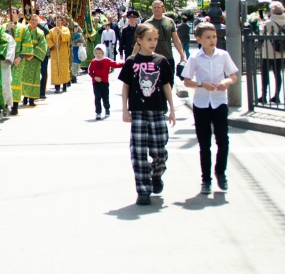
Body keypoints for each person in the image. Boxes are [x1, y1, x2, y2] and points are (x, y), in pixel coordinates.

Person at [118, 23, 176, 206]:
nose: (153, 43)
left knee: (160, 151)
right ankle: (143, 190)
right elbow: (126, 86)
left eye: (155, 39)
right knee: (138, 152)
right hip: (138, 112)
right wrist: (125, 109)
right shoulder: (131, 62)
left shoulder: (161, 61)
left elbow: (166, 85)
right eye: (149, 39)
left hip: (158, 111)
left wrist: (172, 109)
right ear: (139, 40)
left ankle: (156, 174)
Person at [182, 22, 238, 194]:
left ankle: (221, 172)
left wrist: (226, 82)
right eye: (208, 37)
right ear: (199, 39)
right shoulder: (194, 58)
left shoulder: (223, 55)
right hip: (201, 104)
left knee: (223, 140)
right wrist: (201, 84)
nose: (212, 40)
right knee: (204, 144)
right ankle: (206, 179)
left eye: (214, 37)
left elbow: (233, 76)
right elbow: (187, 81)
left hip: (219, 101)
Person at [10, 13, 47, 111]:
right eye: (32, 20)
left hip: (34, 59)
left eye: (36, 20)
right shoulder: (25, 29)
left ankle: (31, 99)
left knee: (33, 78)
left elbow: (42, 46)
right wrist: (26, 54)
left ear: (38, 22)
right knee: (23, 78)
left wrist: (32, 54)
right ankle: (25, 97)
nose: (34, 22)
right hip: (25, 58)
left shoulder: (40, 33)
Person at [259, 1, 285, 104]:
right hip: (280, 52)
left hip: (268, 51)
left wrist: (261, 23)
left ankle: (264, 95)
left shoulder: (269, 22)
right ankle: (277, 96)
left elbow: (261, 33)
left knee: (265, 74)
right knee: (277, 74)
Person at [145, 0, 186, 66]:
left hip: (168, 57)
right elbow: (141, 42)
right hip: (151, 58)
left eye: (158, 7)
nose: (156, 9)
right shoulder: (147, 23)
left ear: (163, 9)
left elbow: (176, 39)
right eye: (154, 7)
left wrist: (182, 55)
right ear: (152, 9)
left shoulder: (170, 22)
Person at [88, 43, 123, 119]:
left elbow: (116, 64)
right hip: (96, 83)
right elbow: (90, 71)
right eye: (96, 53)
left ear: (103, 53)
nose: (98, 55)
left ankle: (107, 109)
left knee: (105, 96)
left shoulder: (106, 60)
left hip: (104, 82)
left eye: (100, 53)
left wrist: (125, 64)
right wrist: (94, 77)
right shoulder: (93, 62)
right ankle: (98, 112)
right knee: (97, 97)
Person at [46, 16, 72, 92]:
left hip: (63, 51)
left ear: (62, 21)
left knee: (64, 68)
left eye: (59, 20)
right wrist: (54, 45)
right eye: (57, 20)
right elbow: (48, 39)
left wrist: (60, 32)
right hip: (55, 52)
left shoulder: (65, 29)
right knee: (56, 69)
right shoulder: (51, 31)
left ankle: (64, 85)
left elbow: (67, 37)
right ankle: (57, 86)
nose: (58, 22)